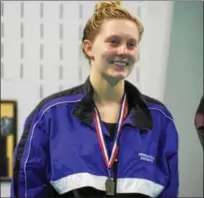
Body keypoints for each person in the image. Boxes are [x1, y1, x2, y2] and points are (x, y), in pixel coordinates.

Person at [11, 1, 179, 198]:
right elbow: (27, 188)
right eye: (114, 41)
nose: (124, 50)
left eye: (131, 44)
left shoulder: (159, 119)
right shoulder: (50, 115)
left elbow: (170, 190)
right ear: (89, 48)